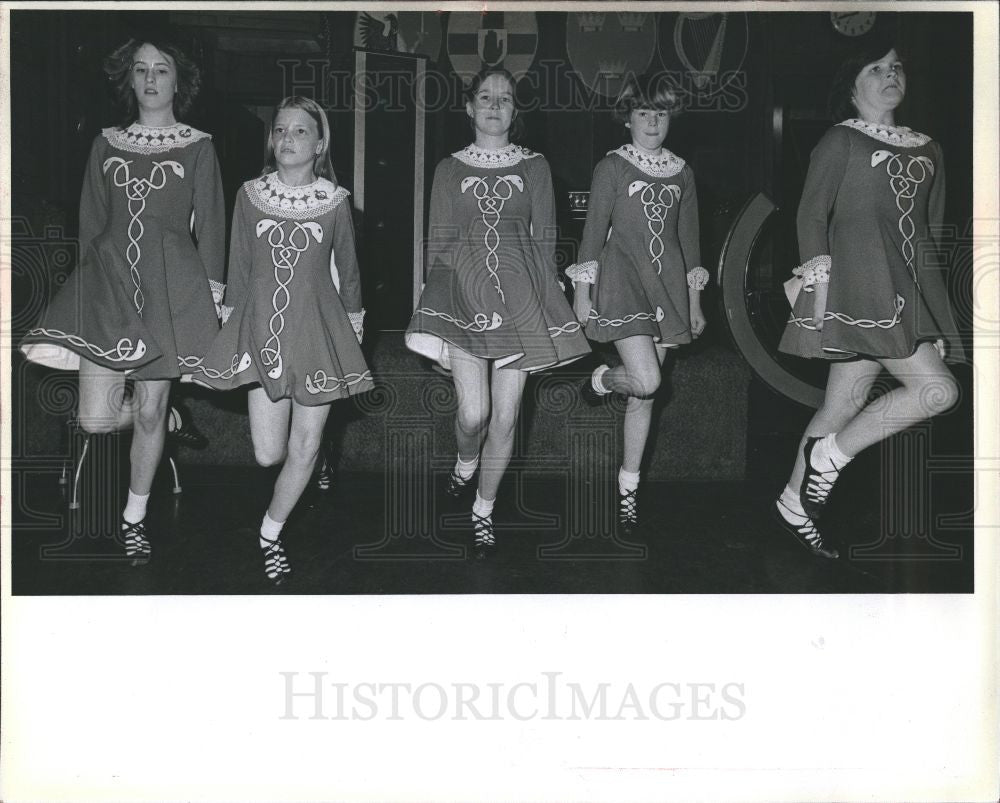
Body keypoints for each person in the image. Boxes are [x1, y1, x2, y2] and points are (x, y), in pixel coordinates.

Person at [20, 37, 226, 564]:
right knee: (95, 420)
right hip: (108, 287)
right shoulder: (105, 143)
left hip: (170, 290)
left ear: (180, 82)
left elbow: (213, 231)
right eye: (141, 69)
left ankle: (132, 519)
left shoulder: (199, 146)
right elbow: (91, 225)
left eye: (162, 70)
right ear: (129, 79)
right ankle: (172, 422)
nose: (151, 79)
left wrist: (212, 299)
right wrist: (85, 291)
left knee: (151, 409)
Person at [775, 44, 963, 558]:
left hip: (904, 293)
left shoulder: (929, 149)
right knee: (937, 393)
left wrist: (934, 321)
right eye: (876, 69)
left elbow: (930, 235)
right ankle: (830, 457)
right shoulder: (841, 140)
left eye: (897, 66)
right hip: (855, 288)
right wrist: (818, 292)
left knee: (844, 402)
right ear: (852, 88)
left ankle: (795, 500)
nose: (891, 74)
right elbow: (810, 215)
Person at [181, 96, 372, 585]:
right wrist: (229, 333)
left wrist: (351, 337)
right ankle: (316, 457)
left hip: (319, 333)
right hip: (262, 331)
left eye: (300, 131)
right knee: (269, 453)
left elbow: (349, 276)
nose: (287, 138)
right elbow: (239, 271)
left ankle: (270, 533)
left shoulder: (334, 201)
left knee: (303, 446)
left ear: (320, 143)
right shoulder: (249, 194)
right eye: (281, 130)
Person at [405, 68, 590, 552]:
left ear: (515, 110)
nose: (494, 105)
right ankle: (466, 461)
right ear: (469, 107)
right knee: (473, 414)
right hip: (464, 299)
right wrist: (433, 313)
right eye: (485, 97)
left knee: (505, 419)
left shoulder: (536, 167)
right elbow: (440, 245)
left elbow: (546, 239)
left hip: (522, 304)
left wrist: (555, 306)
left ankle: (483, 508)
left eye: (504, 99)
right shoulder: (449, 168)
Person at [567, 75, 708, 536]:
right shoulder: (612, 167)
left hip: (665, 286)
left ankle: (628, 490)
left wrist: (694, 302)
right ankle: (605, 378)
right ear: (626, 118)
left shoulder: (682, 173)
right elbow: (592, 233)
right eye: (643, 112)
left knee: (646, 398)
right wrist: (583, 293)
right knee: (646, 381)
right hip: (622, 278)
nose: (652, 120)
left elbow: (689, 244)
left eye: (661, 112)